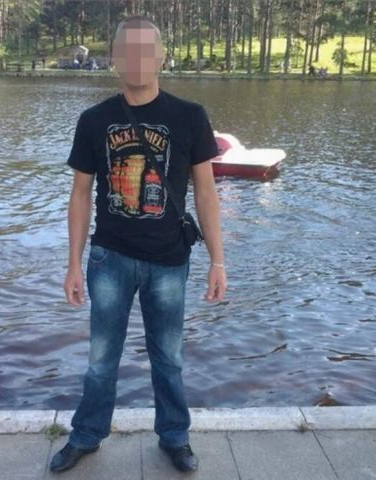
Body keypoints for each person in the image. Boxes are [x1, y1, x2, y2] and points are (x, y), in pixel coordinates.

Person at [50, 14, 227, 475]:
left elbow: (206, 193)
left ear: (162, 56)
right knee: (100, 359)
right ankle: (86, 435)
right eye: (128, 51)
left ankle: (175, 437)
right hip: (109, 258)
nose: (137, 59)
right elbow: (80, 193)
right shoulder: (94, 120)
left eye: (147, 50)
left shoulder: (190, 116)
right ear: (114, 59)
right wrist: (73, 264)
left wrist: (218, 261)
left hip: (169, 260)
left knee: (169, 359)